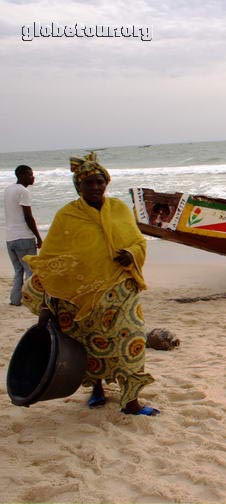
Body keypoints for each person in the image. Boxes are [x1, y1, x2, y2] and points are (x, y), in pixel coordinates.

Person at [22, 152, 159, 416]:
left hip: (121, 290)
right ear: (79, 186)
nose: (96, 187)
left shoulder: (119, 209)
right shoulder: (67, 216)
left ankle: (131, 402)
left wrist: (131, 254)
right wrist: (48, 304)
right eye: (89, 183)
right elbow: (52, 260)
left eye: (100, 182)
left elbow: (138, 241)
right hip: (83, 298)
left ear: (106, 183)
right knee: (90, 345)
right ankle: (97, 389)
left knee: (133, 340)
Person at [4, 165, 43, 306]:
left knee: (18, 270)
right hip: (23, 237)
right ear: (22, 175)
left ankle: (15, 300)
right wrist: (38, 237)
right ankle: (31, 301)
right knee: (30, 270)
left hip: (10, 237)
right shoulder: (23, 191)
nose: (33, 177)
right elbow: (28, 217)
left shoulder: (8, 190)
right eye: (30, 174)